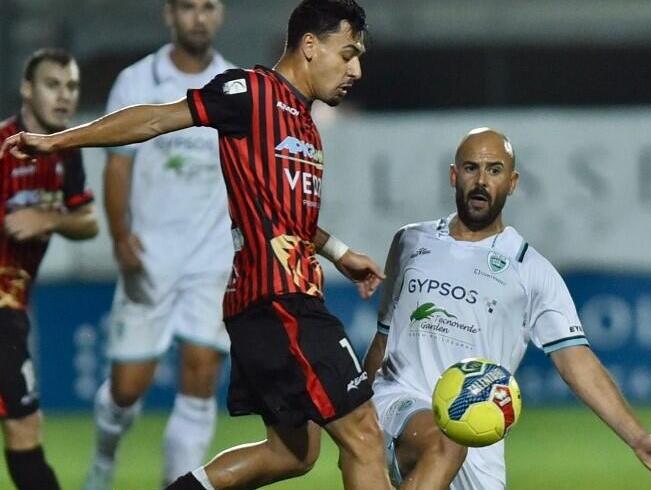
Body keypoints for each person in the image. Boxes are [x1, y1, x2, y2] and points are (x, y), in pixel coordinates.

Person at [0, 1, 394, 489]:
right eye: (348, 53)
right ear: (310, 46)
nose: (356, 69)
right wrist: (58, 142)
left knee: (292, 453)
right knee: (364, 436)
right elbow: (154, 120)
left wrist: (338, 253)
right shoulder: (250, 91)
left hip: (271, 300)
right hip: (279, 301)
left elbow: (286, 216)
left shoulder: (306, 124)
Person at [363, 128, 651, 490]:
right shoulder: (411, 242)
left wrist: (637, 437)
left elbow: (577, 362)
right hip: (399, 407)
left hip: (478, 438)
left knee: (452, 442)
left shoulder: (531, 270)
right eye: (470, 168)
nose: (480, 181)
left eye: (494, 171)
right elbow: (384, 338)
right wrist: (356, 423)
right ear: (453, 175)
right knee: (445, 440)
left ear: (512, 182)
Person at [82, 1, 236, 488]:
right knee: (127, 390)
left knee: (200, 376)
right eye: (188, 7)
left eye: (208, 7)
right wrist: (121, 235)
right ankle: (105, 459)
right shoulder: (136, 81)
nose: (199, 17)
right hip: (150, 257)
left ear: (221, 14)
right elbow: (117, 163)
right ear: (169, 14)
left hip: (212, 259)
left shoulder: (235, 84)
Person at [0, 48, 98, 490]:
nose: (64, 96)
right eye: (52, 84)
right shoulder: (3, 148)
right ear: (26, 89)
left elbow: (89, 222)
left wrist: (49, 218)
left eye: (72, 86)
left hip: (14, 309)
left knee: (23, 428)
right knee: (25, 427)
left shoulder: (66, 153)